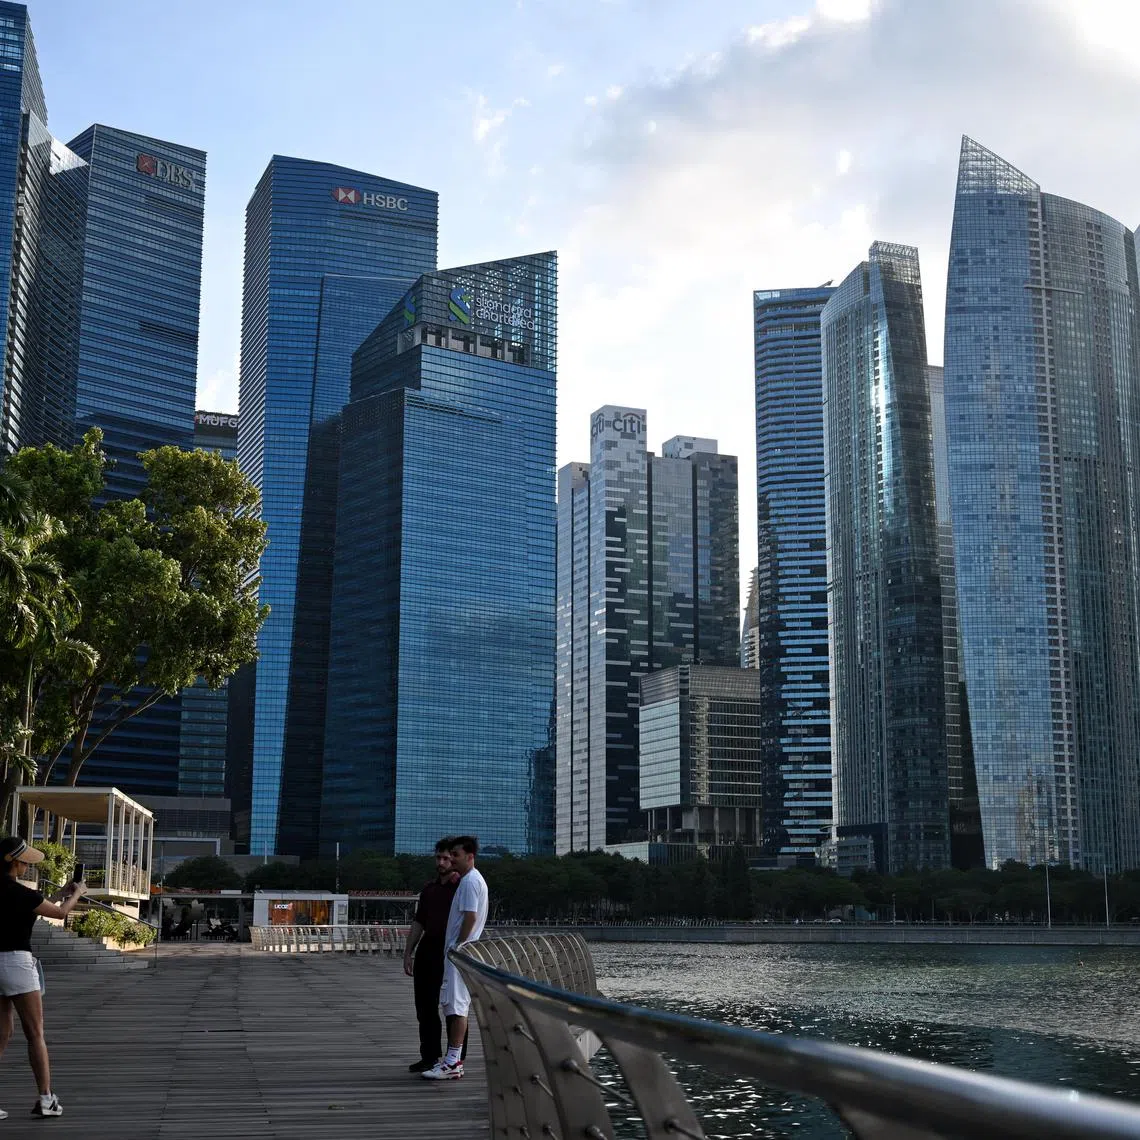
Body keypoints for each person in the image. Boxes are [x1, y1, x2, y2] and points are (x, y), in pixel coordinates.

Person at [0, 836, 87, 1119]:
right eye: (24, 860)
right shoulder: (20, 893)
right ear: (13, 862)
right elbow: (60, 914)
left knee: (2, 1035)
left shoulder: (19, 895)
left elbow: (38, 908)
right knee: (34, 1033)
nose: (27, 864)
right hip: (16, 963)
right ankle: (47, 1100)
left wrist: (62, 891)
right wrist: (76, 894)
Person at [422, 835, 488, 1081]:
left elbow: (470, 917)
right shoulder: (470, 880)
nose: (452, 859)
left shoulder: (470, 881)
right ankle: (453, 1060)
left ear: (470, 856)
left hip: (459, 954)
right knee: (455, 1006)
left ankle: (452, 1063)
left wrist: (458, 945)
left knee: (457, 1007)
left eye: (456, 855)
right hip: (460, 953)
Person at [402, 838, 467, 1073]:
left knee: (452, 1005)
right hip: (427, 952)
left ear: (455, 859)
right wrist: (408, 952)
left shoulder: (463, 887)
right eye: (438, 857)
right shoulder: (429, 890)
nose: (441, 862)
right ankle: (429, 1056)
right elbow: (419, 922)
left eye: (446, 858)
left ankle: (455, 1057)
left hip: (450, 952)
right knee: (425, 1007)